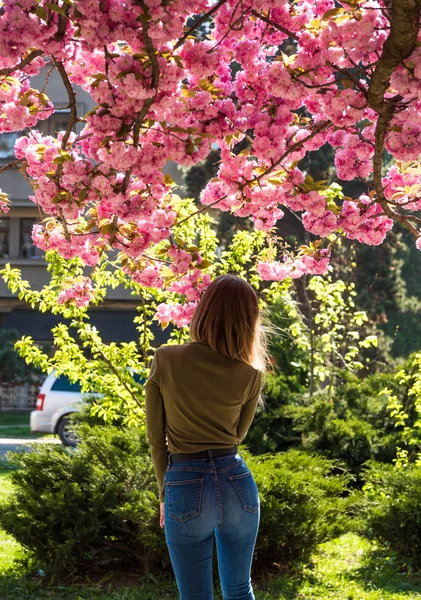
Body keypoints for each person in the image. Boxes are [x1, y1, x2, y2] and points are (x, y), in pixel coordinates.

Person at [145, 273, 267, 600]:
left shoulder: (166, 358)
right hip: (238, 483)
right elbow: (238, 435)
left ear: (204, 311)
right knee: (240, 588)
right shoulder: (251, 373)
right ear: (249, 321)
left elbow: (156, 440)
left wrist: (162, 491)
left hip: (185, 481)